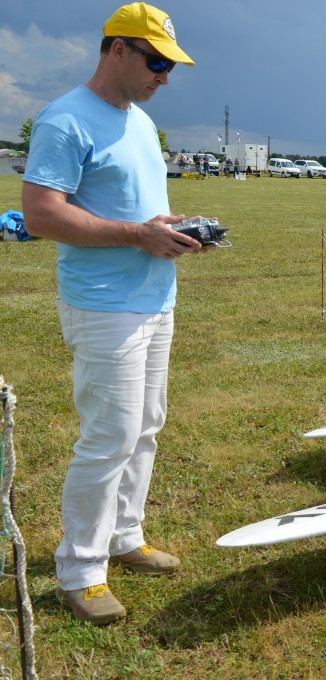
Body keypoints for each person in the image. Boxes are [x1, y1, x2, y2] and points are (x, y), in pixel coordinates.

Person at [21, 2, 206, 626]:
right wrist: (135, 235)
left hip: (156, 297)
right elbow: (42, 214)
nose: (164, 76)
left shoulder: (140, 123)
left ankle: (125, 536)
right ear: (117, 49)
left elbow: (136, 206)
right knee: (109, 437)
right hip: (104, 306)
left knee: (145, 426)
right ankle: (80, 571)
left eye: (171, 65)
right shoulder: (65, 120)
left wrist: (168, 229)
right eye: (157, 62)